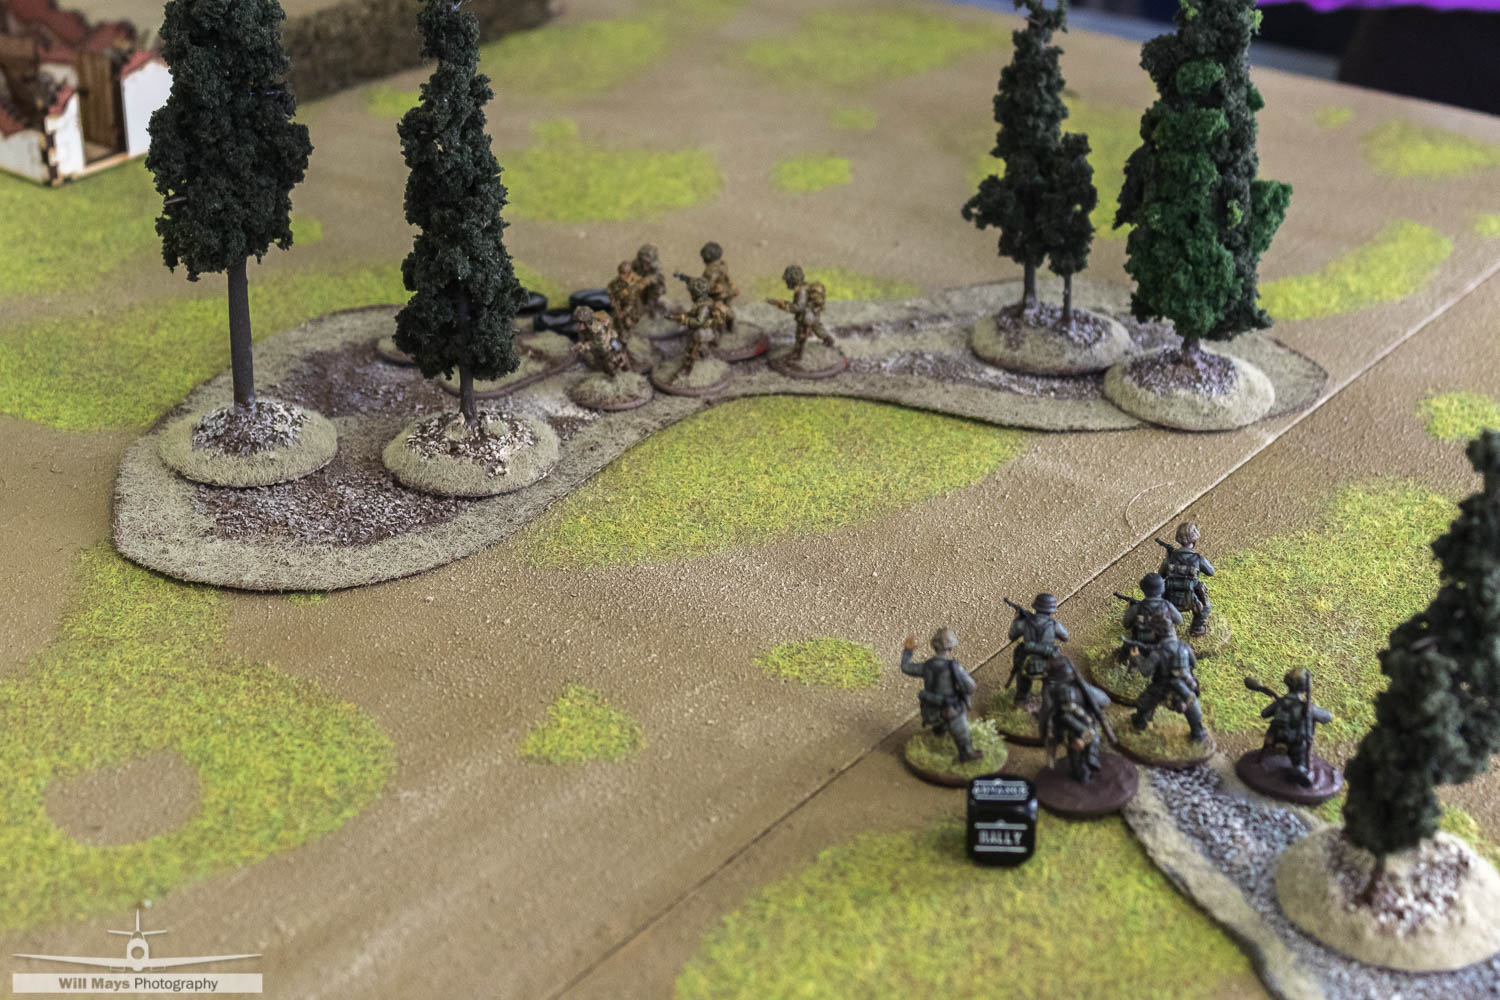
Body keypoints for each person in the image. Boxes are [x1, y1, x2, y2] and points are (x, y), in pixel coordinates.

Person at [900, 628, 983, 763]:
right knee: (962, 730)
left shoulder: (927, 666)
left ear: (934, 646)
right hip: (950, 709)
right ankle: (967, 754)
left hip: (930, 709)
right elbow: (971, 687)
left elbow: (906, 667)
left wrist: (908, 651)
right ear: (950, 647)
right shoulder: (954, 668)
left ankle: (939, 733)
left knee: (941, 725)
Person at [1128, 610, 1206, 742]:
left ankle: (1140, 722)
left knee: (1144, 701)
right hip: (1185, 683)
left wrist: (1137, 658)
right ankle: (1198, 733)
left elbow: (1146, 671)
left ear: (1157, 633)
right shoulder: (1184, 646)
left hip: (1162, 686)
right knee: (1192, 706)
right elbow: (1193, 664)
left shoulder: (1157, 652)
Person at [1248, 668, 1333, 786]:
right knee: (1301, 750)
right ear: (1305, 688)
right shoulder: (1306, 708)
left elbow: (1264, 714)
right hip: (1295, 745)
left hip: (1274, 740)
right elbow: (1328, 717)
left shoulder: (1280, 702)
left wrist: (1276, 705)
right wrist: (1311, 710)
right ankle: (1300, 767)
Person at [1039, 657, 1113, 783]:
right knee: (1080, 755)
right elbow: (1104, 701)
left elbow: (1045, 717)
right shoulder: (1072, 688)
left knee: (1079, 756)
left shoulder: (1053, 691)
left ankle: (1085, 768)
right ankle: (1084, 770)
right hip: (1076, 730)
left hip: (1082, 729)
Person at [765, 264, 836, 362]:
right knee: (817, 327)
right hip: (812, 314)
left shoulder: (800, 291)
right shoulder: (805, 286)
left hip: (805, 317)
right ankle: (828, 339)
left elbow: (798, 307)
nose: (786, 282)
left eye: (787, 280)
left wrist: (784, 305)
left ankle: (797, 355)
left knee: (800, 336)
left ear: (792, 279)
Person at [1006, 593, 1069, 704]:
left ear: (1036, 607)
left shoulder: (1025, 622)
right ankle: (1049, 701)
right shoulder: (1054, 625)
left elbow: (1012, 635)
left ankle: (1020, 700)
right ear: (1051, 610)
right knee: (1050, 686)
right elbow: (1065, 636)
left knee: (1022, 679)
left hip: (1028, 663)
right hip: (1049, 663)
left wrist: (1017, 619)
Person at [1158, 521, 1215, 636]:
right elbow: (1211, 572)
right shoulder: (1198, 559)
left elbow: (1160, 576)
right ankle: (1197, 629)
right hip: (1191, 601)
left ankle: (1164, 627)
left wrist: (1169, 558)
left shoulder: (1170, 558)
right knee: (1206, 606)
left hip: (1169, 600)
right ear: (1194, 541)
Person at [1115, 572, 1183, 666]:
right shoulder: (1168, 606)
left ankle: (1122, 660)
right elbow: (1179, 620)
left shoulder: (1137, 608)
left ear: (1144, 590)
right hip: (1165, 645)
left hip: (1141, 645)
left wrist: (1128, 612)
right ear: (1162, 589)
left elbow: (1126, 624)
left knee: (1127, 644)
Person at [574, 306, 630, 376]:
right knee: (608, 370)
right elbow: (583, 340)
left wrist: (586, 345)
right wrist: (581, 345)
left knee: (619, 355)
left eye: (580, 322)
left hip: (609, 346)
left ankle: (624, 365)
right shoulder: (582, 330)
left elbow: (601, 342)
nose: (578, 325)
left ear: (587, 322)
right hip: (600, 352)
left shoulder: (598, 326)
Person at [606, 261, 643, 335]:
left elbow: (631, 304)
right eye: (619, 272)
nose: (620, 275)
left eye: (623, 273)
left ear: (629, 274)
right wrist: (612, 298)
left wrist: (622, 313)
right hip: (620, 305)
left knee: (627, 324)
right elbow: (609, 287)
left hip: (632, 310)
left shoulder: (633, 287)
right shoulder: (618, 280)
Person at [631, 244, 668, 316]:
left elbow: (659, 277)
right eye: (643, 261)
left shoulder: (657, 266)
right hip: (640, 287)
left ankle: (653, 305)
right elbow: (631, 271)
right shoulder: (636, 263)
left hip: (653, 288)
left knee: (656, 294)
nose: (645, 266)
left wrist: (647, 280)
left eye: (647, 263)